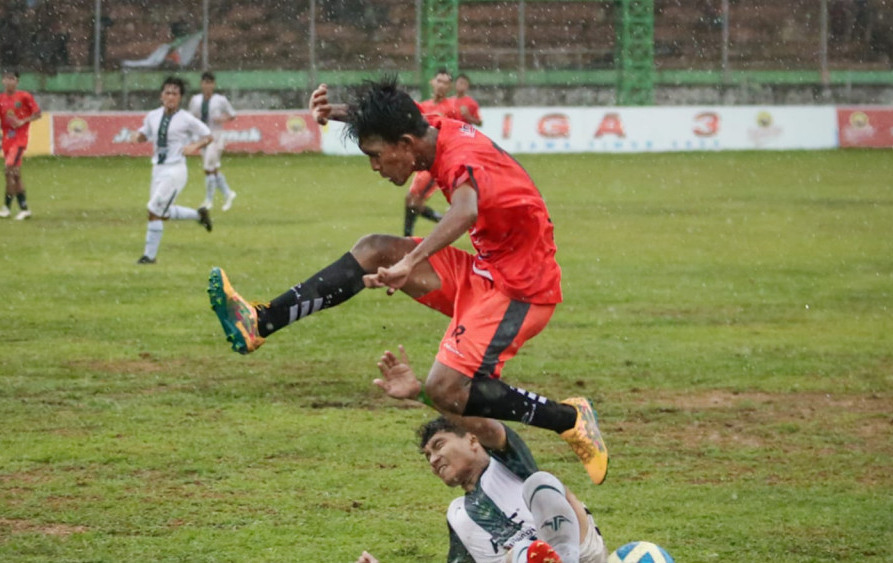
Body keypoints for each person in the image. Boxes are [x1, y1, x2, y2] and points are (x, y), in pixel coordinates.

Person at [208, 76, 608, 484]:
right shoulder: (429, 128)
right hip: (485, 271)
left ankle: (569, 418)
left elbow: (466, 210)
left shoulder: (459, 155)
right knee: (375, 249)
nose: (375, 166)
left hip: (521, 290)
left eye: (377, 155)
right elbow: (403, 113)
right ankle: (261, 321)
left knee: (446, 389)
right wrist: (337, 112)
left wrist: (412, 260)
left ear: (404, 144)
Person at [355, 359, 608, 563]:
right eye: (427, 455)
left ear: (473, 440)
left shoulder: (508, 462)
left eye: (439, 445)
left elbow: (485, 425)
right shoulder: (458, 513)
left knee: (542, 482)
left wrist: (421, 393)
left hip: (583, 559)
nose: (433, 459)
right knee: (521, 552)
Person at [132, 76, 214, 265]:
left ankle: (149, 257)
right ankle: (198, 215)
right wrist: (137, 136)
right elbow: (145, 133)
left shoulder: (186, 118)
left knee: (153, 209)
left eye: (174, 93)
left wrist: (194, 146)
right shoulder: (153, 116)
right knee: (164, 213)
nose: (170, 97)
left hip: (176, 170)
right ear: (161, 95)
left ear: (180, 98)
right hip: (158, 169)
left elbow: (208, 136)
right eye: (167, 92)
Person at [402, 68, 460, 236]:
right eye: (439, 81)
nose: (441, 86)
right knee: (411, 200)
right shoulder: (424, 106)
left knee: (415, 201)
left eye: (445, 83)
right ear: (432, 82)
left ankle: (408, 237)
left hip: (437, 159)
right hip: (422, 160)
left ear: (449, 88)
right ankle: (442, 221)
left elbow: (457, 133)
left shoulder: (451, 108)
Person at [0, 69, 41, 220]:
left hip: (19, 140)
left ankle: (7, 207)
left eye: (12, 79)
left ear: (17, 82)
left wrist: (22, 121)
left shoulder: (24, 96)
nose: (9, 81)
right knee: (15, 175)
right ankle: (23, 209)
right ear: (2, 81)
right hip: (7, 141)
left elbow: (38, 114)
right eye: (6, 78)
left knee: (9, 170)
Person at [188, 72, 238, 212]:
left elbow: (232, 114)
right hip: (202, 136)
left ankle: (208, 200)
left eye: (210, 83)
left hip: (215, 136)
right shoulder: (196, 100)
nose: (207, 85)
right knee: (213, 168)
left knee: (208, 168)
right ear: (201, 84)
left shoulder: (220, 100)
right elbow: (190, 118)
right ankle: (228, 193)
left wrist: (222, 119)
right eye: (205, 82)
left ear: (214, 84)